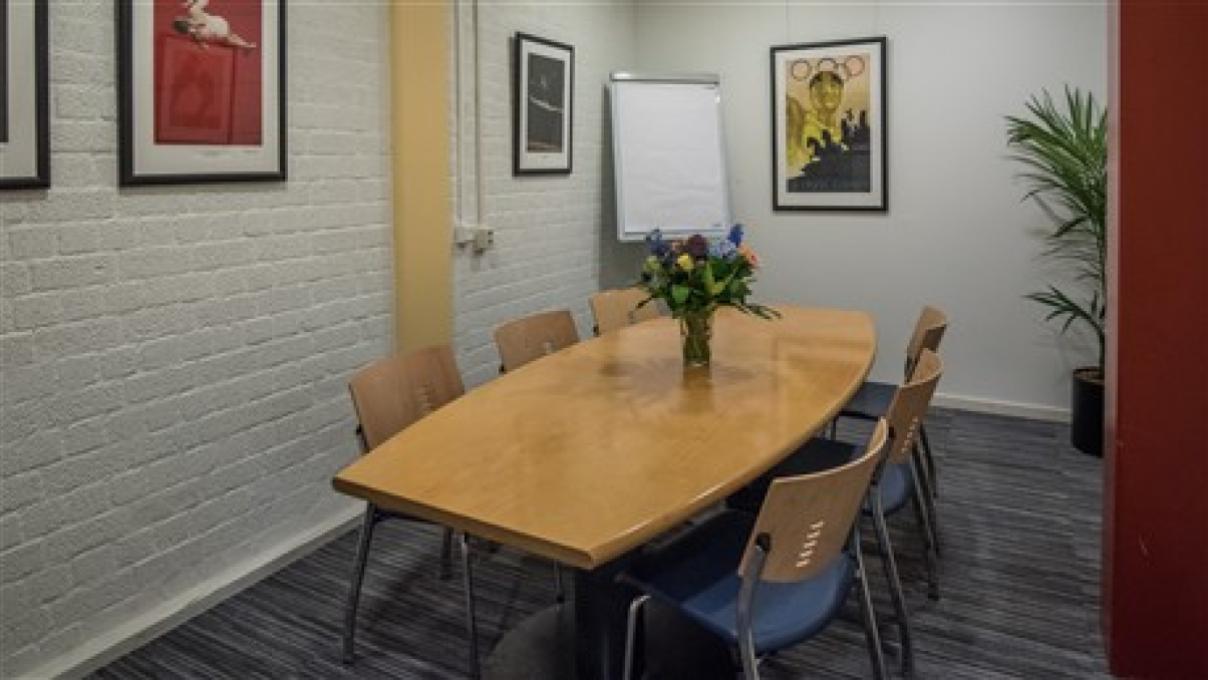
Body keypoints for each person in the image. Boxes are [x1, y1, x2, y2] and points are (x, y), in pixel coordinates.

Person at [172, 0, 256, 51]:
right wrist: (189, 2)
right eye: (179, 18)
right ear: (182, 20)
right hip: (217, 26)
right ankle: (245, 45)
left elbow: (198, 39)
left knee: (229, 36)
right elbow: (204, 2)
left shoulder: (192, 32)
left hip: (216, 32)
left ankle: (245, 45)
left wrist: (202, 44)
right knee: (229, 36)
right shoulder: (193, 12)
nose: (178, 16)